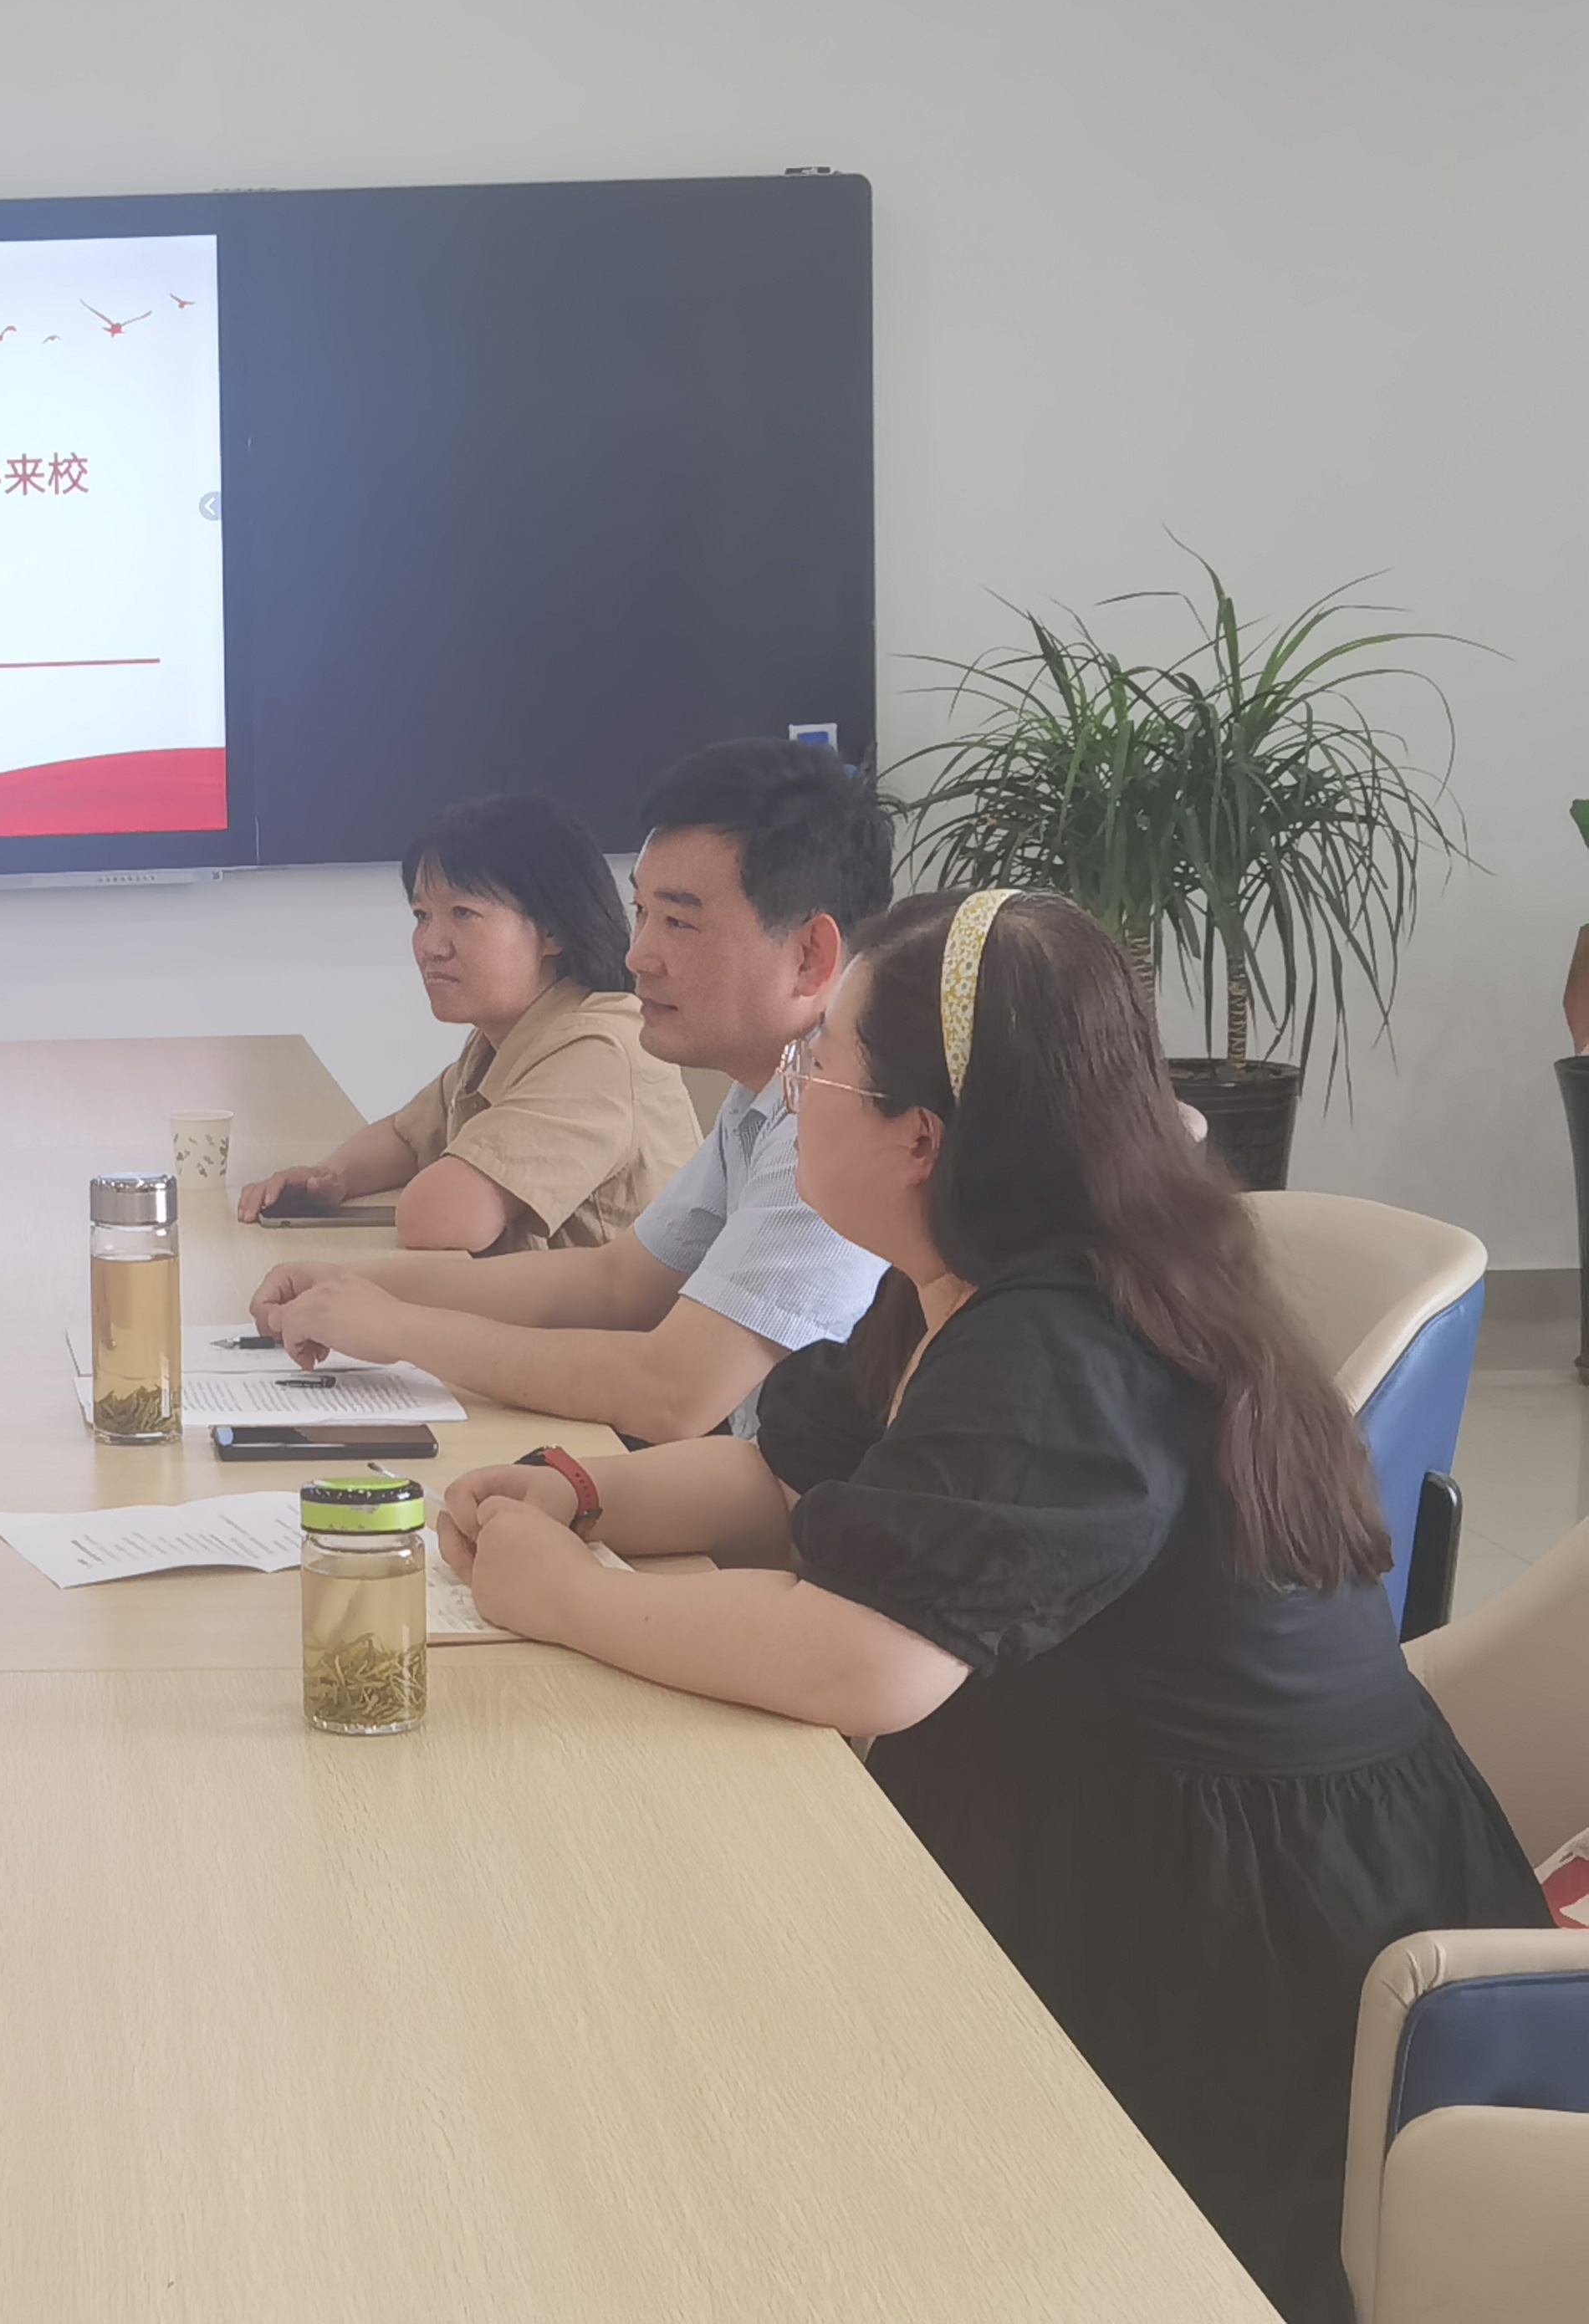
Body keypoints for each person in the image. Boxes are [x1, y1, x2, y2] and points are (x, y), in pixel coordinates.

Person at [432, 891, 1545, 2322]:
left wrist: (565, 1600)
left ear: (921, 1135)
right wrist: (578, 1492)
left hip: (1245, 1963)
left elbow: (865, 1663)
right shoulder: (964, 1277)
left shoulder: (1060, 1342)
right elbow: (784, 1473)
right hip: (1136, 1832)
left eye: (823, 1062)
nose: (793, 1088)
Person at [252, 738, 893, 1442]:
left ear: (810, 955)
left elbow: (673, 1394)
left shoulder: (843, 1124)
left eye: (679, 922)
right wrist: (346, 1284)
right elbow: (613, 1284)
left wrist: (400, 1328)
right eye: (641, 913)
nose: (638, 954)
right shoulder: (763, 1098)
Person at [235, 793, 699, 1253]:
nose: (431, 946)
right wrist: (330, 1178)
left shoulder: (598, 1049)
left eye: (463, 914)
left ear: (552, 930)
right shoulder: (506, 1037)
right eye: (422, 916)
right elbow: (407, 1137)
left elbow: (440, 1220)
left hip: (626, 1307)